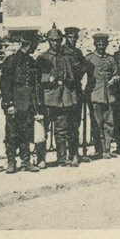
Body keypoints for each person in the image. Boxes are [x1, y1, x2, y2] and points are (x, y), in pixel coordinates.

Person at [0, 35, 41, 174]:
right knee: (12, 134)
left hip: (28, 104)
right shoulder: (11, 61)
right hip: (15, 104)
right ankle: (11, 162)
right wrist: (9, 104)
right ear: (28, 44)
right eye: (34, 45)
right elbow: (5, 84)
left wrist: (36, 105)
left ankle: (26, 162)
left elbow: (35, 84)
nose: (35, 48)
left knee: (26, 133)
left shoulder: (31, 61)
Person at [36, 28, 77, 167]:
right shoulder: (42, 58)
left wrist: (68, 87)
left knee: (61, 131)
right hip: (47, 99)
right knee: (43, 131)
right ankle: (41, 159)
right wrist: (49, 78)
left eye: (58, 41)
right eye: (53, 41)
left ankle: (62, 158)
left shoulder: (65, 59)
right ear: (48, 41)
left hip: (63, 100)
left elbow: (71, 78)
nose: (55, 43)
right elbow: (37, 79)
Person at [84, 33, 118, 159]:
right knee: (96, 124)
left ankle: (107, 149)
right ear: (95, 44)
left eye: (103, 44)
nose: (101, 46)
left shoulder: (111, 59)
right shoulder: (89, 58)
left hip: (109, 95)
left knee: (109, 124)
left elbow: (116, 73)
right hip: (95, 95)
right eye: (99, 44)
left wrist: (114, 79)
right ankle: (99, 149)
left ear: (107, 44)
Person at [61, 27, 88, 164]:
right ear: (66, 38)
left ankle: (74, 153)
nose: (73, 40)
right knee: (64, 125)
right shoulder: (61, 51)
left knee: (75, 124)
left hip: (76, 90)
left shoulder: (78, 52)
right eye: (70, 37)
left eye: (75, 38)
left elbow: (85, 66)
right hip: (65, 91)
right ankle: (63, 156)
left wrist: (79, 70)